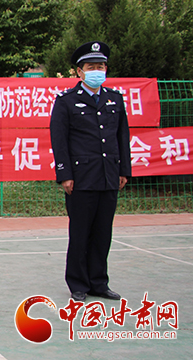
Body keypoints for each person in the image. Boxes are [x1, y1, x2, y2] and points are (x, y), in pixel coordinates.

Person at [50, 41, 130, 302]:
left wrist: (124, 170)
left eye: (101, 66)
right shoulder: (67, 101)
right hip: (81, 178)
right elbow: (59, 140)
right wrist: (64, 174)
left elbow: (122, 137)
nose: (97, 71)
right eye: (91, 67)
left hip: (108, 175)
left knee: (103, 232)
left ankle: (99, 282)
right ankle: (78, 283)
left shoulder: (114, 99)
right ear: (79, 72)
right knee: (80, 232)